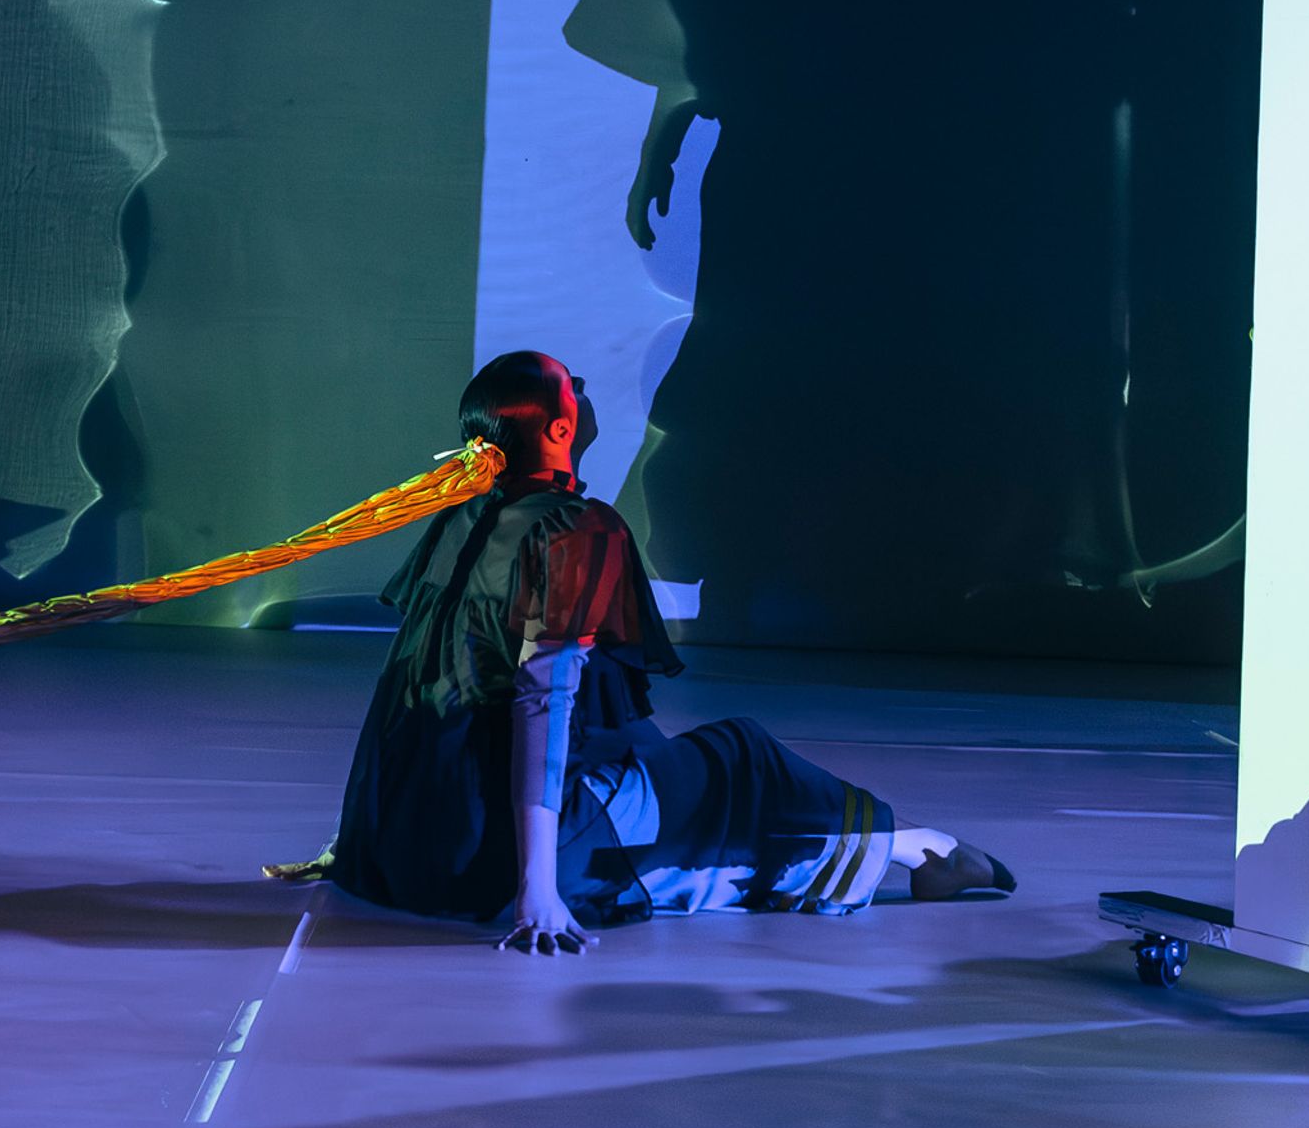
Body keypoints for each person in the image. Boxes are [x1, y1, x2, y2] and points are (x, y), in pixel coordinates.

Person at [312, 352, 1013, 952]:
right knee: (745, 760)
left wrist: (362, 841)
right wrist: (536, 893)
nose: (585, 384)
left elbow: (411, 687)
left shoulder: (463, 519)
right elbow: (542, 703)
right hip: (489, 859)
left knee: (690, 770)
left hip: (403, 850)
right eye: (573, 384)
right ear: (561, 429)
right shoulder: (575, 528)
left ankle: (913, 846)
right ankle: (920, 846)